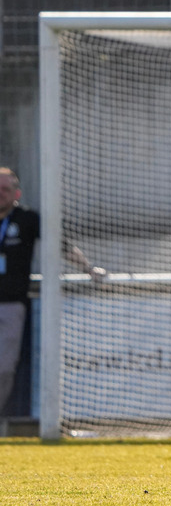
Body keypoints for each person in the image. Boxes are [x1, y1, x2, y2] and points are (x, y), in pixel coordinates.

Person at [0, 167, 104, 413]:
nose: (0, 195)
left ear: (17, 193)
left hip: (11, 305)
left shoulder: (27, 219)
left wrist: (88, 268)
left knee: (4, 367)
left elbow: (61, 245)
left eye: (5, 190)